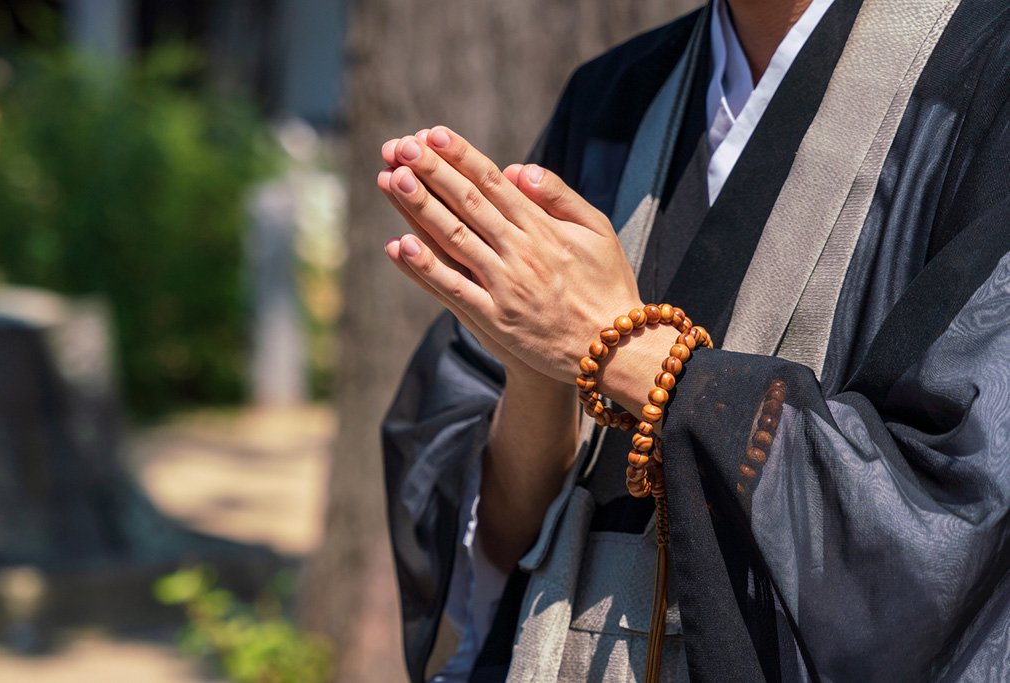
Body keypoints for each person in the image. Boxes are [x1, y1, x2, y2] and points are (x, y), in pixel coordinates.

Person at [377, 0, 1010, 680]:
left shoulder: (987, 72)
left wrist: (623, 349)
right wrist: (536, 362)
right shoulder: (613, 101)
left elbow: (953, 528)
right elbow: (500, 545)